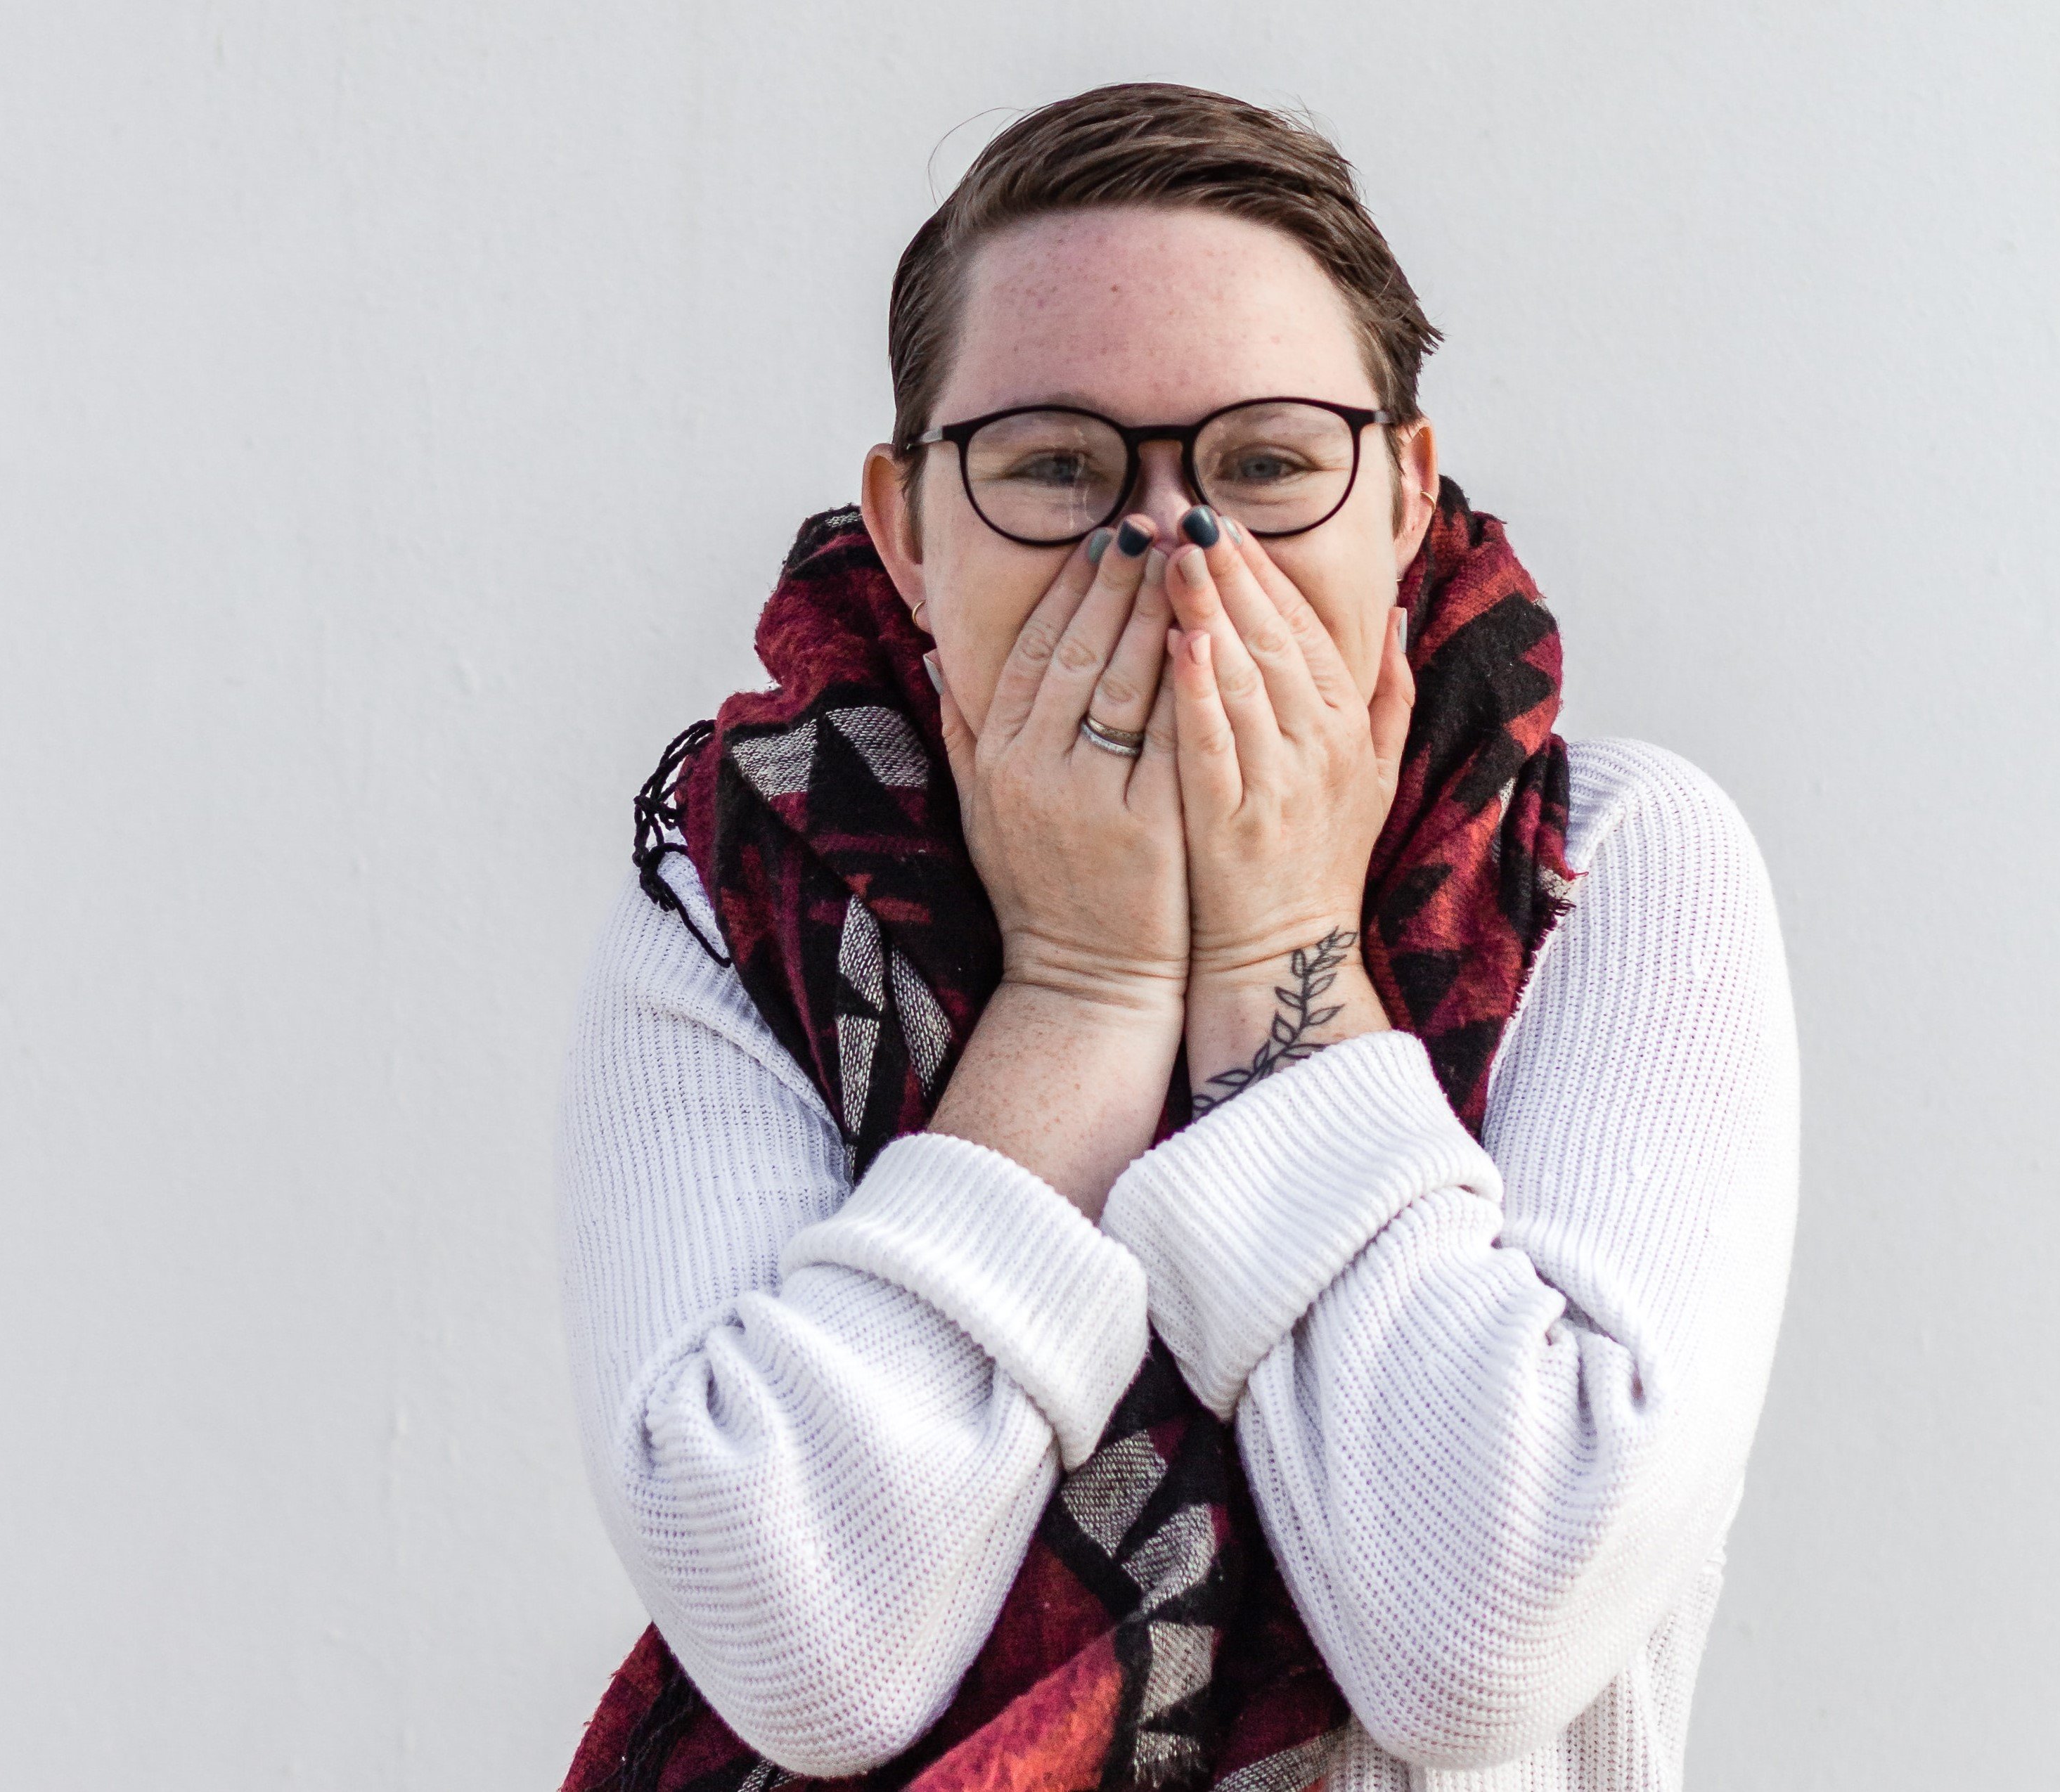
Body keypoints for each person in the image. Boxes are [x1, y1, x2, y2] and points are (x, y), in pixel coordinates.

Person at [557, 83, 1797, 1792]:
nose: (1165, 543)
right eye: (1056, 467)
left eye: (1269, 465)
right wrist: (1084, 990)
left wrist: (1275, 939)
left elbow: (1488, 1630)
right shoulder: (742, 896)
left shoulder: (1610, 866)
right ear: (910, 528)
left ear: (1404, 500)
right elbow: (805, 1645)